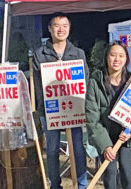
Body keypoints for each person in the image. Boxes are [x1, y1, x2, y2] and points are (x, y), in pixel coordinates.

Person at [33, 12, 89, 189]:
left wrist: (82, 106)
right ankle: (55, 185)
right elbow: (37, 85)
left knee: (78, 149)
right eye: (57, 25)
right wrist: (45, 110)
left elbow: (84, 81)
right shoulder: (39, 54)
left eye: (65, 25)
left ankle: (81, 184)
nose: (61, 29)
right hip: (50, 111)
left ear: (69, 28)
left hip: (74, 109)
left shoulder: (78, 53)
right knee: (51, 150)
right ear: (50, 28)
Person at [85, 40, 131, 189]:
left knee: (126, 169)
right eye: (113, 55)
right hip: (105, 134)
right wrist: (105, 146)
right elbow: (92, 118)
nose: (117, 59)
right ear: (106, 57)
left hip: (126, 135)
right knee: (109, 170)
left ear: (126, 59)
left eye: (121, 56)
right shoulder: (95, 83)